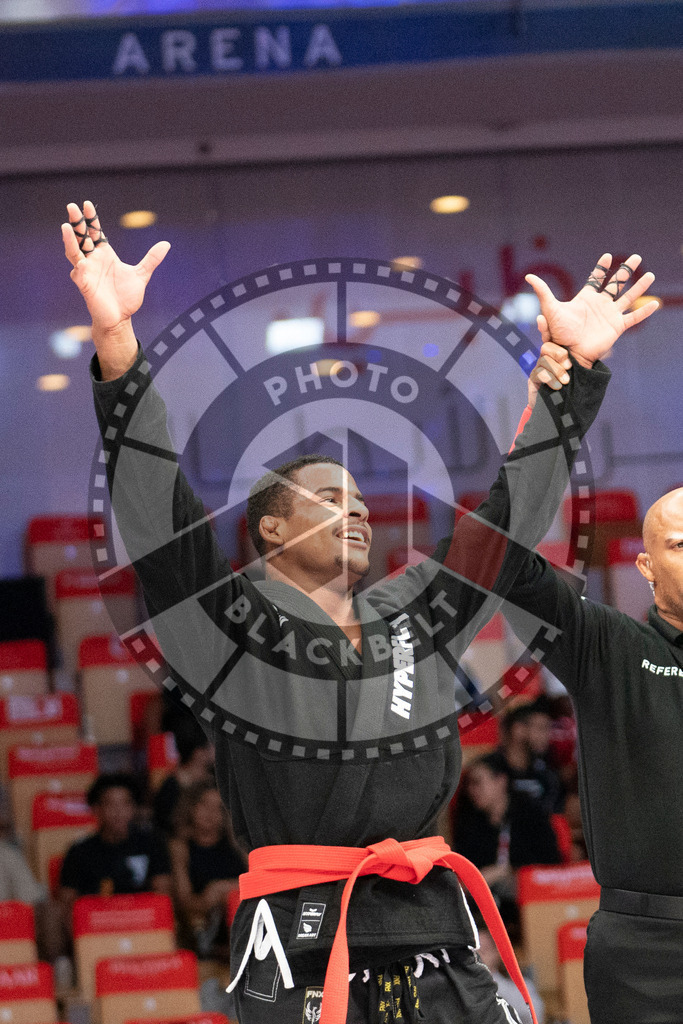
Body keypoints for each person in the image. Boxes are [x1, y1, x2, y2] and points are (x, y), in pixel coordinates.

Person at [62, 200, 656, 1024]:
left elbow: (509, 517)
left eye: (360, 503)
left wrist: (571, 374)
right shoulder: (224, 621)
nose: (356, 513)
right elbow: (152, 503)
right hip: (299, 945)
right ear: (268, 528)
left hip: (433, 934)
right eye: (326, 499)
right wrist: (118, 348)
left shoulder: (412, 606)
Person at [494, 478, 683, 1024]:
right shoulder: (608, 646)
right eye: (679, 545)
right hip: (646, 951)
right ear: (645, 568)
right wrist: (553, 419)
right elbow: (504, 558)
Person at [452, 754, 561, 926]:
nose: (472, 791)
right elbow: (461, 873)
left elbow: (550, 864)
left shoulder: (531, 814)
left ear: (501, 781)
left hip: (528, 899)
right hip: (482, 904)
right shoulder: (468, 820)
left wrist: (504, 872)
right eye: (469, 785)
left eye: (478, 782)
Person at [59, 773, 171, 923]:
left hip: (143, 920)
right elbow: (68, 904)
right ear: (96, 809)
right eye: (110, 804)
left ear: (134, 808)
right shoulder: (79, 852)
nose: (119, 811)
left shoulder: (152, 843)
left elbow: (162, 895)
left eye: (126, 804)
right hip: (97, 924)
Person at [170, 779, 246, 957]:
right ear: (190, 807)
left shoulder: (237, 844)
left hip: (241, 918)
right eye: (204, 805)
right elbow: (184, 901)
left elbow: (261, 882)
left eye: (218, 808)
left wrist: (224, 889)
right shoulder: (180, 847)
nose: (211, 813)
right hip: (201, 925)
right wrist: (207, 900)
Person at [494, 699, 563, 814]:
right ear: (518, 730)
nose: (547, 736)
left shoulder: (547, 775)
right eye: (541, 728)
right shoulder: (491, 770)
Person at [153, 719, 215, 834]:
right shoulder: (170, 788)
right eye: (214, 744)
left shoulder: (216, 782)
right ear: (198, 752)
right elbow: (165, 830)